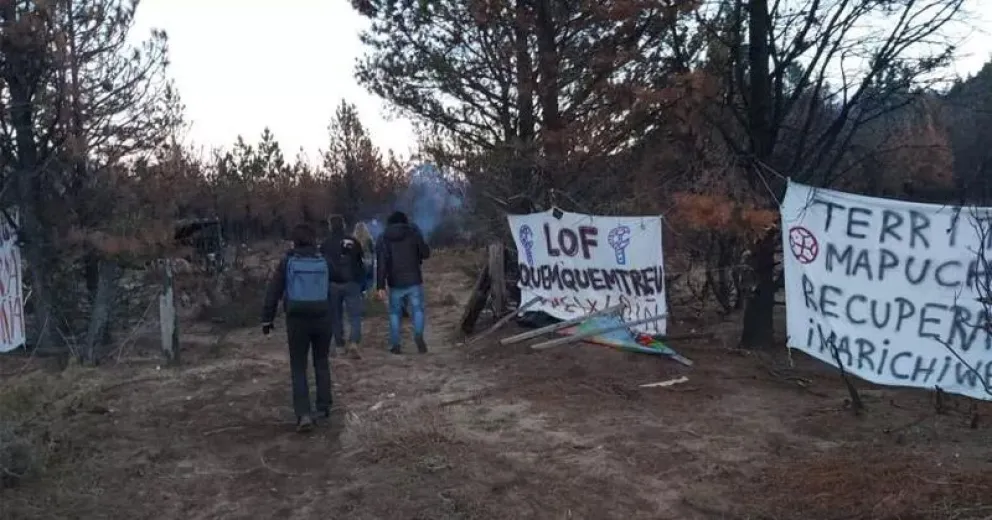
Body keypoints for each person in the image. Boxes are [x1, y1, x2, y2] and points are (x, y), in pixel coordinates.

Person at [261, 223, 333, 433]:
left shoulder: (287, 262)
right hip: (322, 316)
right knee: (321, 361)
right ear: (314, 240)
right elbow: (335, 283)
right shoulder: (323, 260)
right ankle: (324, 406)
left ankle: (303, 414)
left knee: (299, 366)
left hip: (297, 319)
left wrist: (267, 319)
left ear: (294, 241)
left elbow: (274, 290)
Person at [375, 211, 430, 354]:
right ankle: (418, 334)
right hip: (414, 279)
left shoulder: (383, 237)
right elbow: (425, 253)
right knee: (418, 309)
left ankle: (396, 345)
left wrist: (380, 285)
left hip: (395, 282)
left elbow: (381, 263)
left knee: (394, 313)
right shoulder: (413, 232)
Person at [320, 215, 365, 360]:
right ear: (344, 225)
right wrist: (362, 282)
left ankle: (339, 346)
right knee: (355, 315)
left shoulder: (325, 244)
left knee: (335, 316)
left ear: (330, 226)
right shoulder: (353, 241)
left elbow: (321, 264)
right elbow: (360, 262)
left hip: (333, 284)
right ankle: (353, 342)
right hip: (352, 283)